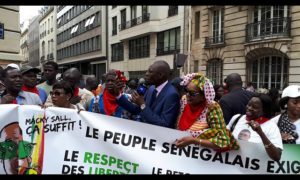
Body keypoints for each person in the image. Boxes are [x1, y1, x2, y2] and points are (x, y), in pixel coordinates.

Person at [174, 73, 239, 152]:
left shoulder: (212, 107)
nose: (187, 95)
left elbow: (223, 141)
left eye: (192, 93)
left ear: (203, 96)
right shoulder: (184, 100)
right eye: (186, 91)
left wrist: (194, 141)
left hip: (202, 156)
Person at [116, 60, 180, 128]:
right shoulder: (151, 88)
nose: (146, 74)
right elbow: (137, 110)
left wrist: (142, 104)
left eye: (150, 71)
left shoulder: (172, 95)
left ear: (160, 75)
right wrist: (118, 95)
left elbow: (164, 124)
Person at [227, 94, 282, 161]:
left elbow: (277, 157)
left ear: (264, 110)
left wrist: (261, 133)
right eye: (249, 104)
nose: (249, 108)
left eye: (255, 107)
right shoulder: (236, 118)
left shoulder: (271, 126)